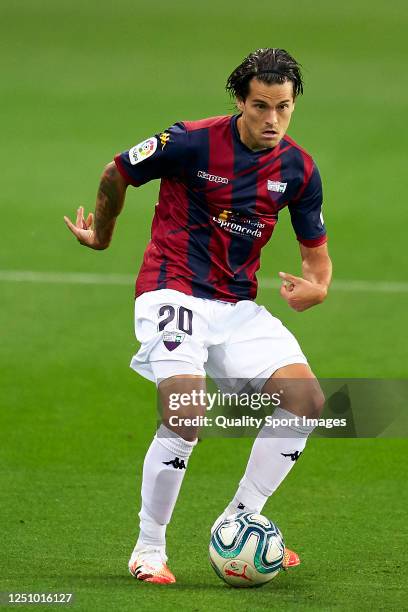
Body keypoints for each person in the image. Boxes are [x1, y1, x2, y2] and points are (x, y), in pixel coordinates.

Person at [64, 47, 332, 585]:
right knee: (185, 416)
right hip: (172, 291)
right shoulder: (189, 141)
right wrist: (102, 235)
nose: (273, 120)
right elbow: (117, 170)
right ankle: (149, 547)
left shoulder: (299, 169)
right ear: (240, 101)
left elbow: (315, 254)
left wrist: (317, 288)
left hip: (236, 305)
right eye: (261, 106)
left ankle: (241, 519)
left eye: (284, 107)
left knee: (307, 402)